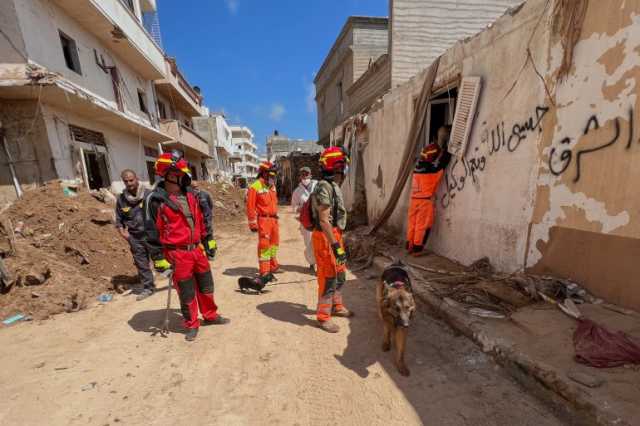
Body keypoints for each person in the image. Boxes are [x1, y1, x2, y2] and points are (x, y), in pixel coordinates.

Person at [145, 153, 229, 342]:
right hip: (177, 253)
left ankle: (210, 315)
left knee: (206, 285)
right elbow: (151, 231)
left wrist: (209, 241)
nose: (184, 176)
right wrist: (158, 258)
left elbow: (201, 220)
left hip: (197, 250)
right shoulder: (155, 200)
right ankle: (191, 324)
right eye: (179, 173)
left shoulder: (191, 194)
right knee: (186, 291)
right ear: (167, 174)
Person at [311, 147, 353, 333]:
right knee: (328, 279)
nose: (344, 169)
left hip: (335, 234)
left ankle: (336, 306)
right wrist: (335, 246)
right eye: (343, 165)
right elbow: (323, 220)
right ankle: (323, 317)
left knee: (340, 274)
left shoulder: (334, 185)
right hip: (325, 237)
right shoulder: (323, 187)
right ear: (336, 166)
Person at [406, 125, 452, 256]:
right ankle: (417, 249)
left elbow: (436, 161)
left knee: (412, 224)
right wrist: (447, 147)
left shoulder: (417, 168)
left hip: (414, 200)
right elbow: (444, 161)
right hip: (425, 202)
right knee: (423, 226)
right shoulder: (432, 170)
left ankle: (410, 245)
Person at [115, 170, 154, 301]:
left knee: (164, 259)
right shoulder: (121, 200)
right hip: (135, 237)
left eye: (131, 180)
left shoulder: (149, 194)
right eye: (126, 181)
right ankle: (148, 287)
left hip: (152, 234)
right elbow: (118, 219)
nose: (129, 183)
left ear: (136, 178)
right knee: (141, 263)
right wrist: (122, 232)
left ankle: (179, 279)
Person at [246, 161, 280, 288]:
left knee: (274, 244)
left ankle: (272, 267)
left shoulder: (272, 186)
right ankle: (264, 271)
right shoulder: (255, 186)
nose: (272, 177)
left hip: (274, 220)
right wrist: (252, 222)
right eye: (270, 174)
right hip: (263, 220)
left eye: (274, 175)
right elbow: (250, 206)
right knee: (264, 246)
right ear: (263, 173)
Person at [291, 166, 317, 272]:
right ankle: (312, 263)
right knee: (309, 242)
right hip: (306, 222)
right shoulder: (297, 191)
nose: (305, 176)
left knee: (321, 241)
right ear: (300, 177)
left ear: (311, 175)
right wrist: (301, 208)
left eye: (307, 174)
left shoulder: (318, 186)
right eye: (303, 175)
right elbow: (294, 207)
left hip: (319, 220)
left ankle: (322, 262)